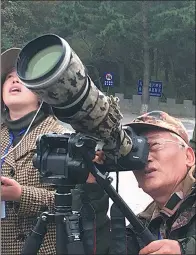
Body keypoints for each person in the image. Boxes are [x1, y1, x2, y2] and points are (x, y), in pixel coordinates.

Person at [1, 48, 109, 255]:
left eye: (21, 78)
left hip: (43, 248)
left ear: (41, 94)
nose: (14, 81)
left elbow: (77, 204)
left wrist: (21, 195)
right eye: (9, 78)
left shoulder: (62, 138)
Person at [94, 111, 196, 254]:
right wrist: (92, 188)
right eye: (136, 152)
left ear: (189, 156)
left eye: (154, 145)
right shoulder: (143, 226)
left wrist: (185, 250)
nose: (145, 158)